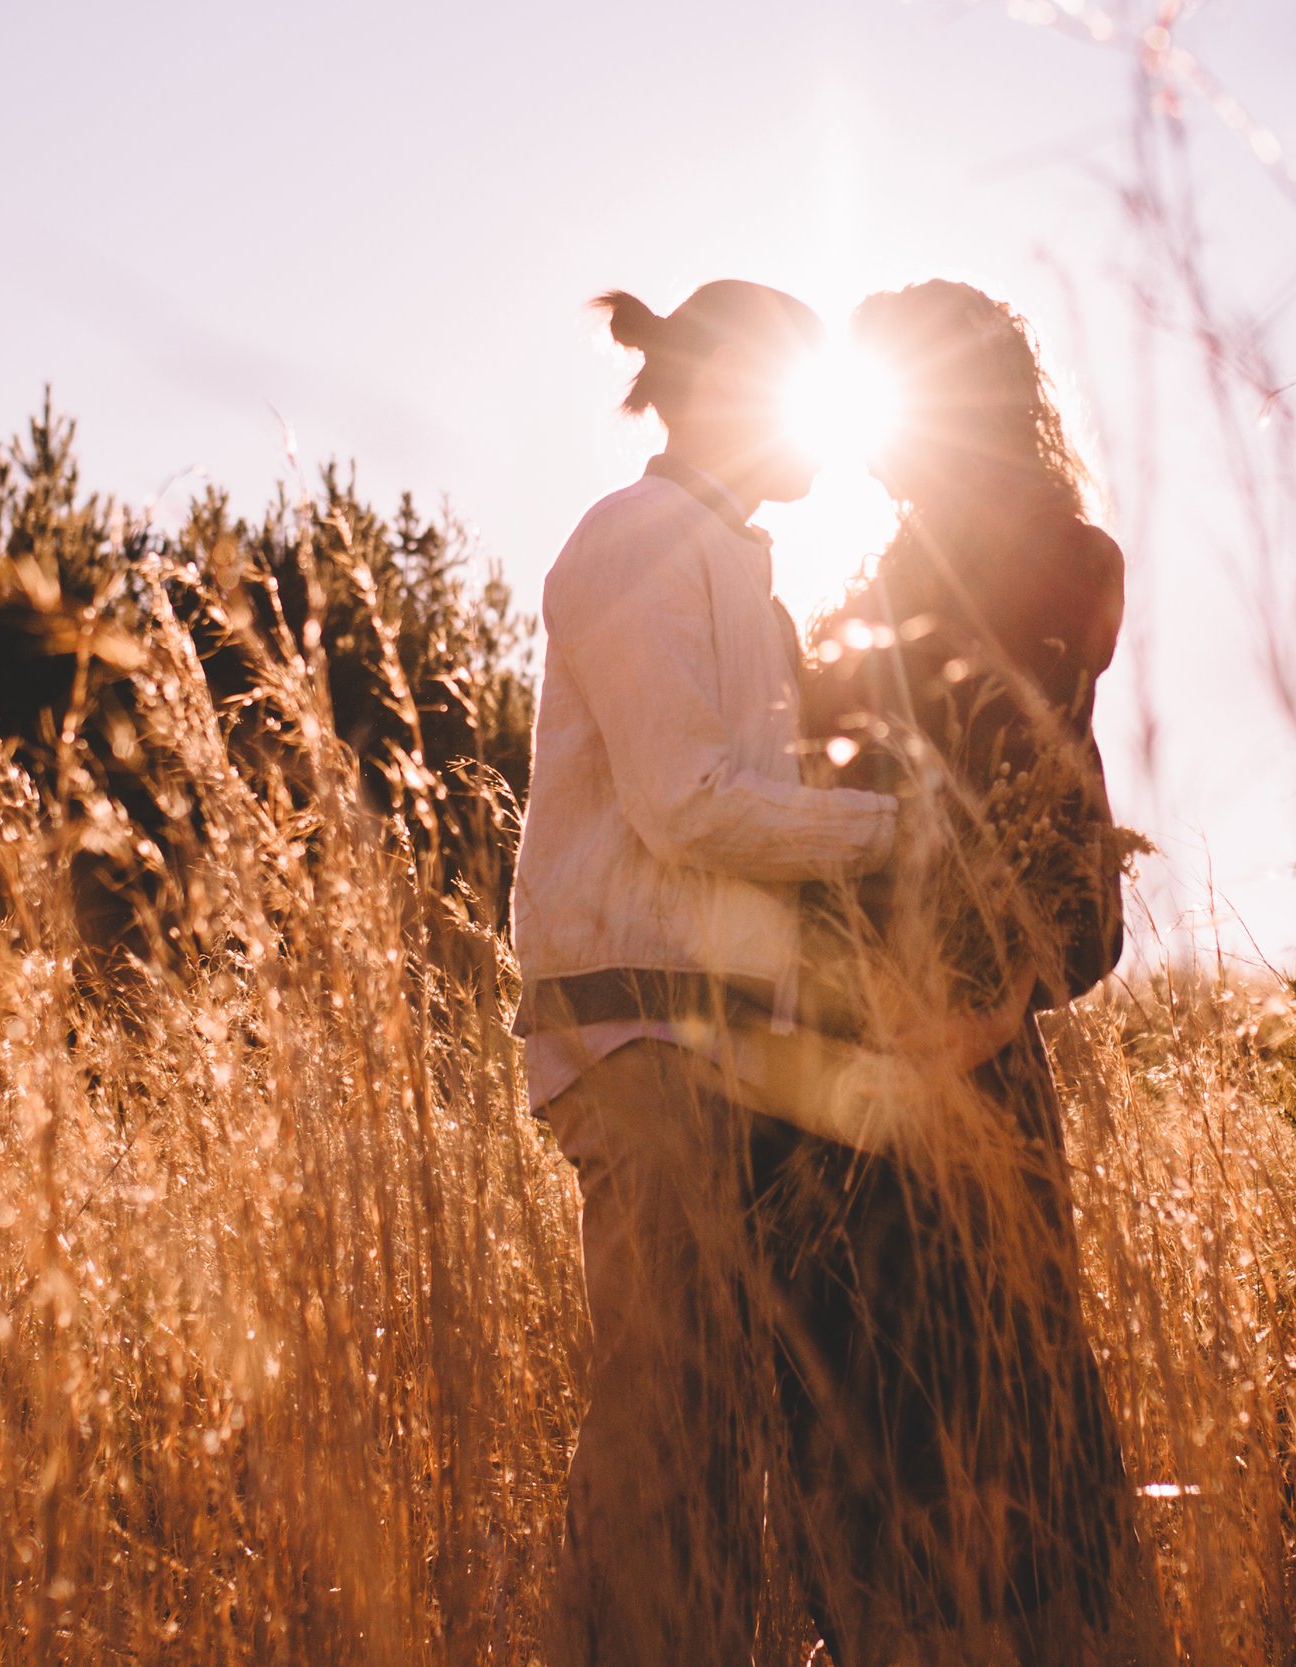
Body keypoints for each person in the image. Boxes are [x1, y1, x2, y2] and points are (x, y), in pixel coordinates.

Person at [513, 280, 1009, 1667]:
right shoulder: (632, 539)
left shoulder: (742, 574)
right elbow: (687, 803)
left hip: (731, 1052)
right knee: (660, 1435)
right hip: (642, 1043)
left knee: (717, 1439)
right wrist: (905, 835)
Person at [755, 280, 1150, 1667]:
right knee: (879, 1453)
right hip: (843, 1095)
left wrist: (972, 1022)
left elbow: (1066, 871)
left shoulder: (1048, 560)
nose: (867, 442)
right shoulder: (870, 598)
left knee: (1005, 1455)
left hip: (960, 1091)